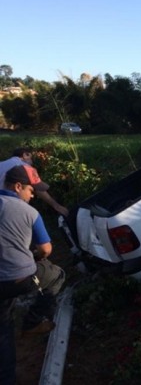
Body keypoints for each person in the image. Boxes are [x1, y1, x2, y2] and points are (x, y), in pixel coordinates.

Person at [0, 164, 65, 385]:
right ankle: (33, 322)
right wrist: (32, 256)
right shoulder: (29, 212)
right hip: (19, 279)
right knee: (56, 275)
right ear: (18, 186)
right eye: (31, 191)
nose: (33, 196)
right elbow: (46, 249)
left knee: (3, 329)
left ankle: (6, 379)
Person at [0, 147, 69, 217]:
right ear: (25, 155)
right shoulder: (25, 167)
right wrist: (56, 206)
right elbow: (38, 188)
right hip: (12, 209)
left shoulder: (1, 164)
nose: (32, 162)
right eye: (31, 158)